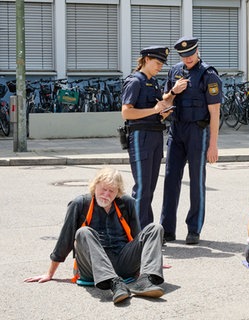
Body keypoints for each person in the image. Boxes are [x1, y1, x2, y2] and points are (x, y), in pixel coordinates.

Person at [24, 168, 166, 304]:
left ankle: (145, 282)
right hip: (92, 267)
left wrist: (152, 259)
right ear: (95, 186)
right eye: (103, 189)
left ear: (118, 192)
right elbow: (65, 239)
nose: (106, 194)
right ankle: (114, 283)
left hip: (123, 262)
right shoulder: (79, 204)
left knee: (155, 228)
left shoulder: (126, 203)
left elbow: (138, 237)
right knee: (83, 232)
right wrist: (49, 273)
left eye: (111, 191)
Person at [160, 36, 222, 245]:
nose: (187, 59)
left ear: (197, 51)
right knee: (170, 180)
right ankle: (167, 229)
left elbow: (215, 113)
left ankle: (194, 229)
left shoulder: (208, 75)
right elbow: (165, 102)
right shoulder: (175, 71)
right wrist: (173, 91)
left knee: (196, 181)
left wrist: (213, 145)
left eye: (190, 54)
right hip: (176, 130)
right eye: (183, 55)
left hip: (198, 131)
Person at [121, 46, 174, 230]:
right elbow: (126, 113)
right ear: (146, 59)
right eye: (158, 63)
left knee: (149, 189)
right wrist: (153, 110)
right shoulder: (135, 82)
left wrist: (163, 112)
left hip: (154, 135)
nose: (160, 67)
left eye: (162, 64)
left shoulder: (153, 83)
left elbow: (155, 111)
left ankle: (146, 229)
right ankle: (137, 233)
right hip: (140, 137)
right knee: (142, 189)